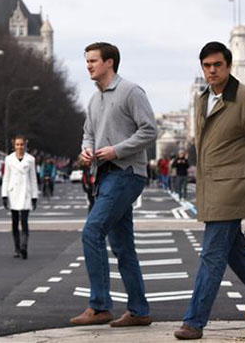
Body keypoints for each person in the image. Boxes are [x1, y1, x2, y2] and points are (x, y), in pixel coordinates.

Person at [174, 42, 245, 340]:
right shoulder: (202, 100)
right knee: (237, 253)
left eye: (217, 65)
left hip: (233, 187)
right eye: (207, 65)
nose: (212, 70)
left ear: (228, 66)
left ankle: (194, 321)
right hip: (213, 186)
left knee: (212, 254)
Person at [71, 42, 157, 328]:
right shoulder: (94, 100)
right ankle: (139, 310)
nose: (89, 66)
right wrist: (86, 151)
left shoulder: (131, 91)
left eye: (93, 61)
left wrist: (116, 150)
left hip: (127, 172)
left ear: (110, 62)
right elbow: (88, 134)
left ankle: (99, 306)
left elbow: (150, 130)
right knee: (122, 246)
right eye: (87, 61)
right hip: (104, 175)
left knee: (92, 231)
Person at [1, 135, 38, 259]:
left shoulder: (31, 159)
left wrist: (34, 196)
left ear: (25, 145)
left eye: (21, 144)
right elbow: (6, 178)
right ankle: (16, 248)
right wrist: (4, 195)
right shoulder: (9, 159)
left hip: (25, 193)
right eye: (17, 144)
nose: (19, 147)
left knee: (24, 221)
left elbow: (33, 178)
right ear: (14, 145)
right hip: (13, 193)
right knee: (15, 222)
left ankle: (24, 246)